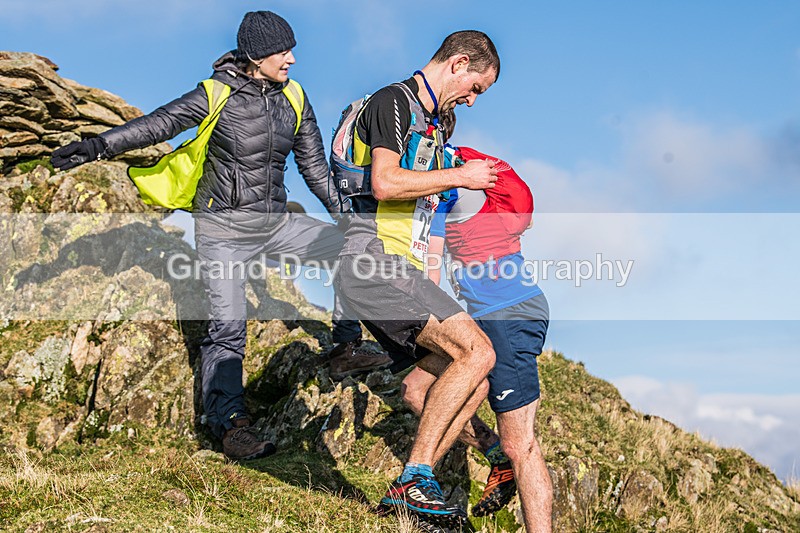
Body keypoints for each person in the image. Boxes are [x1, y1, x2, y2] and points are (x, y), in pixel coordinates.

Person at [50, 10, 391, 461]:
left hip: (274, 224)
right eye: (282, 52)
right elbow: (158, 124)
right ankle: (230, 425)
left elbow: (312, 167)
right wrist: (96, 146)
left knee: (352, 246)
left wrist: (345, 216)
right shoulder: (215, 93)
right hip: (223, 229)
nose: (291, 59)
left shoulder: (295, 97)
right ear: (255, 56)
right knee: (227, 329)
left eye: (292, 50)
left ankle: (345, 346)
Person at [333, 30, 501, 528]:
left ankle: (419, 490)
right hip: (373, 261)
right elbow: (384, 183)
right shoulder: (393, 102)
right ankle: (415, 479)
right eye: (475, 88)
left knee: (434, 383)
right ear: (459, 63)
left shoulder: (431, 124)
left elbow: (421, 213)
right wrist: (461, 176)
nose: (471, 101)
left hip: (397, 267)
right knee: (479, 352)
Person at [406, 138, 553, 532]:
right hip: (495, 313)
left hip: (507, 314)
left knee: (520, 442)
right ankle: (493, 455)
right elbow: (526, 218)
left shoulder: (448, 185)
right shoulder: (475, 170)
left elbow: (431, 275)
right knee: (416, 390)